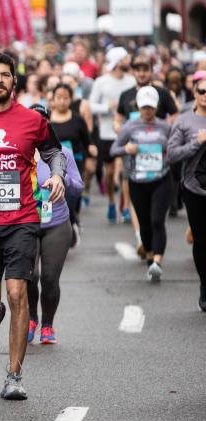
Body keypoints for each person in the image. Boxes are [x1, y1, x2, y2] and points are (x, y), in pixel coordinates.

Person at [0, 52, 66, 401]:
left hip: (22, 218)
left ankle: (14, 375)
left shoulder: (31, 120)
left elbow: (54, 152)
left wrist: (57, 176)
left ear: (14, 82)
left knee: (18, 292)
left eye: (5, 75)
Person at [110, 87, 173, 282]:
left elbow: (174, 148)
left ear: (156, 107)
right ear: (139, 106)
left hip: (161, 178)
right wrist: (127, 148)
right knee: (145, 223)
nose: (148, 110)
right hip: (137, 180)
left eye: (151, 107)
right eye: (144, 107)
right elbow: (113, 150)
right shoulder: (130, 126)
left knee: (157, 220)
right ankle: (149, 256)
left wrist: (169, 154)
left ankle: (157, 262)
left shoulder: (165, 127)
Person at [27, 139, 83, 345]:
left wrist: (62, 179)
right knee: (30, 275)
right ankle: (32, 318)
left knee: (49, 278)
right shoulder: (15, 152)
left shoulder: (62, 153)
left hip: (56, 223)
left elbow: (78, 188)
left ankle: (48, 325)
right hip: (26, 225)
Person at [166, 80, 206, 311]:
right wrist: (196, 142)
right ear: (195, 93)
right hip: (194, 189)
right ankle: (204, 286)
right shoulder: (184, 120)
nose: (205, 95)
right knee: (201, 241)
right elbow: (172, 155)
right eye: (202, 91)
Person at [88, 47, 136, 224]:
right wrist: (108, 107)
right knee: (109, 173)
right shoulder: (101, 82)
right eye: (125, 58)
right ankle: (111, 201)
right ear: (117, 61)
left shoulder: (132, 81)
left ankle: (124, 207)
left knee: (125, 171)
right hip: (106, 133)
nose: (128, 61)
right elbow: (91, 105)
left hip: (126, 132)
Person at [48, 83, 95, 243]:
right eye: (58, 97)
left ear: (70, 99)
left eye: (65, 98)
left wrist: (91, 151)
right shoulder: (46, 119)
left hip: (74, 164)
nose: (62, 101)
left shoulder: (77, 120)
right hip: (50, 166)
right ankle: (60, 229)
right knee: (56, 196)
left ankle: (72, 221)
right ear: (52, 99)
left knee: (72, 196)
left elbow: (87, 141)